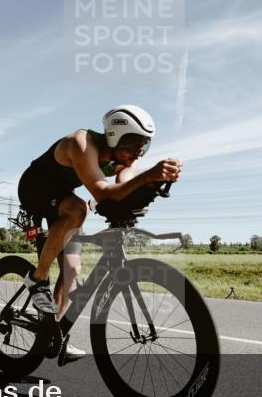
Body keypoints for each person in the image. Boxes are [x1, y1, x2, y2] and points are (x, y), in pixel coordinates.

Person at [17, 105, 182, 357]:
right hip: (34, 189)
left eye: (144, 145)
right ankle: (37, 278)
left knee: (72, 271)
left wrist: (154, 182)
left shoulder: (127, 159)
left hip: (61, 196)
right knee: (78, 209)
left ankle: (54, 334)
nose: (139, 151)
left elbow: (123, 190)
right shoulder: (81, 143)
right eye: (134, 143)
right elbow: (103, 193)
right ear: (114, 137)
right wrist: (148, 176)